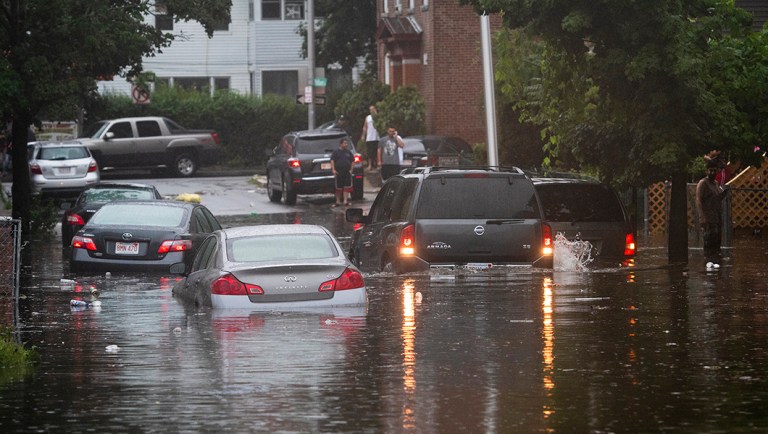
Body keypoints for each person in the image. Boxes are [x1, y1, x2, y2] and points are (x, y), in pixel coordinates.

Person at [696, 158, 729, 266]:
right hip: (708, 219)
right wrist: (702, 217)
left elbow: (718, 198)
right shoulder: (703, 183)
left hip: (717, 218)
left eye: (715, 171)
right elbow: (698, 200)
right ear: (706, 171)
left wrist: (725, 193)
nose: (713, 173)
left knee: (716, 244)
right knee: (708, 243)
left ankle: (716, 264)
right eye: (710, 170)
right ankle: (707, 264)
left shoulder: (715, 183)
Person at [330, 138, 354, 207]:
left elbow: (353, 161)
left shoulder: (348, 152)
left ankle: (345, 201)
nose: (346, 145)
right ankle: (337, 201)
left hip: (347, 172)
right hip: (338, 172)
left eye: (346, 143)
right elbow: (332, 161)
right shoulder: (336, 152)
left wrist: (351, 170)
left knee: (346, 187)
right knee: (338, 188)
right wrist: (333, 170)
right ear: (341, 144)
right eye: (344, 143)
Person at [360, 105, 379, 170]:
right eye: (370, 109)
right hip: (369, 137)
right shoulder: (368, 117)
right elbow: (365, 127)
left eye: (373, 109)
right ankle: (370, 165)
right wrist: (363, 135)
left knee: (376, 151)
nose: (372, 110)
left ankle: (376, 164)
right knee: (370, 152)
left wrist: (376, 113)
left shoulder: (377, 117)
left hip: (377, 137)